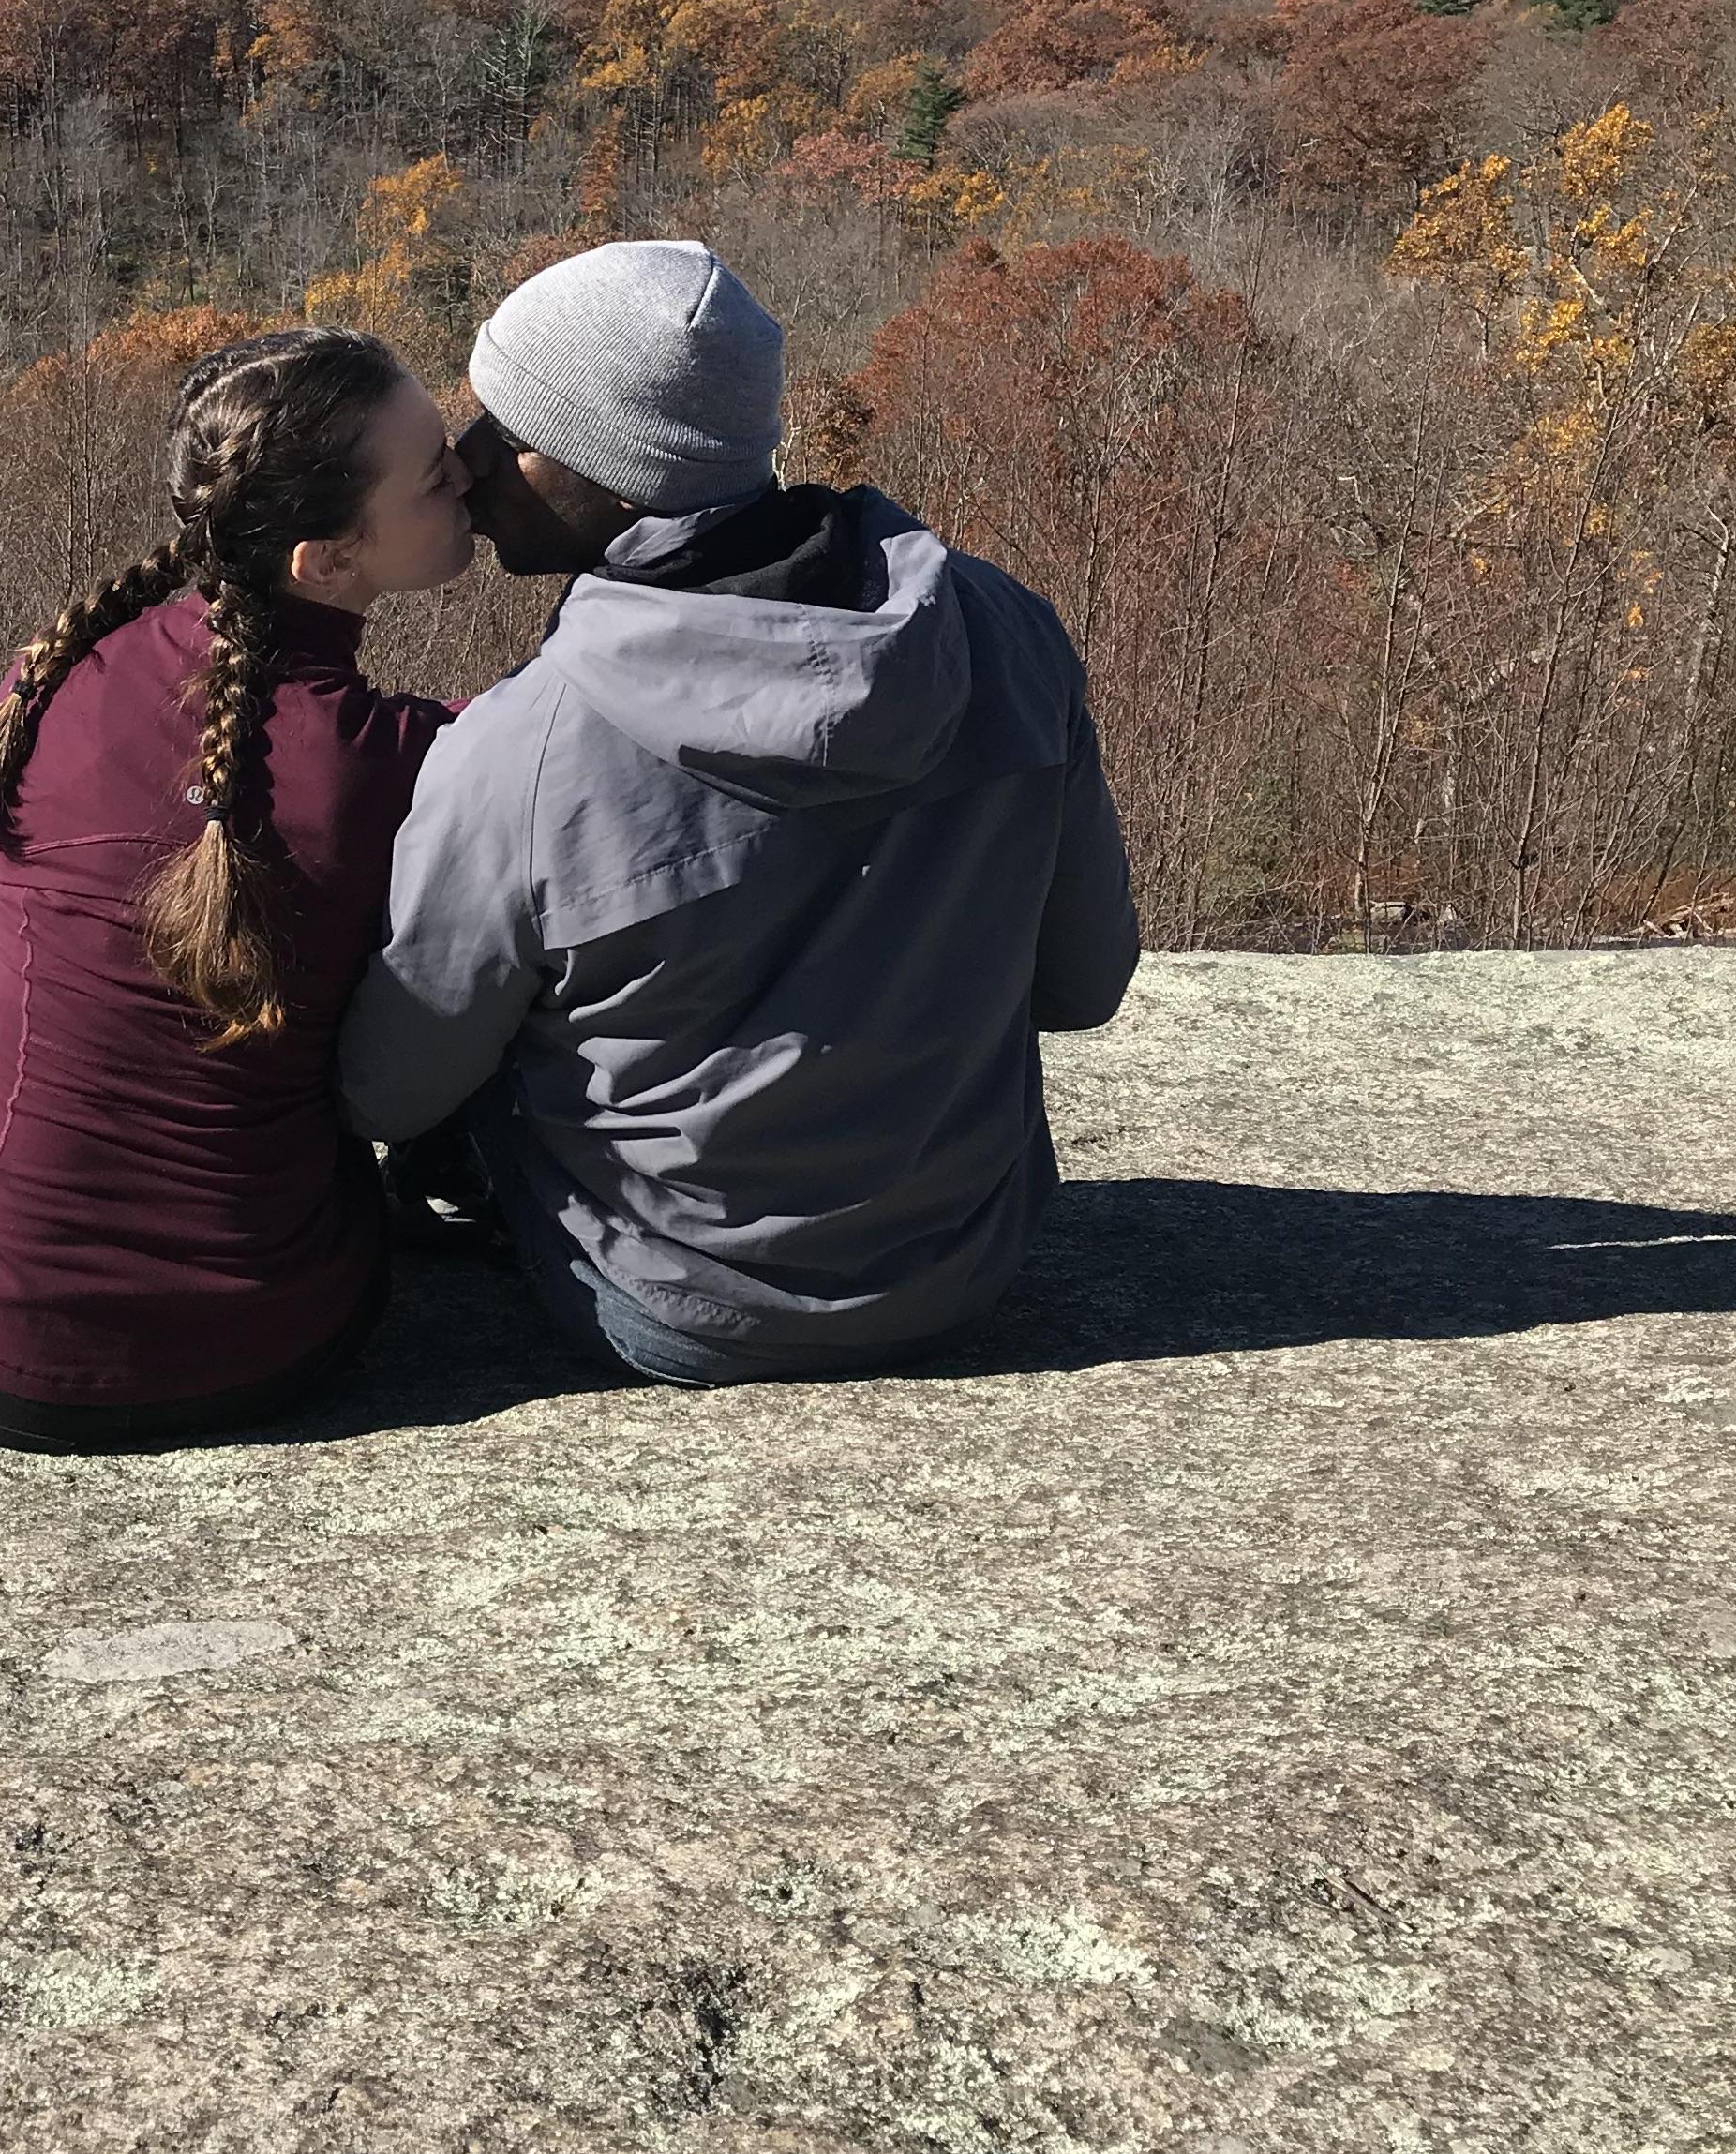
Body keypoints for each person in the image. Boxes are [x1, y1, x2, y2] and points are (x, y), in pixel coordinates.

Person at [338, 238, 1142, 1384]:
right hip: (967, 1266)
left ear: (612, 477)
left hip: (673, 1302)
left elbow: (389, 1085)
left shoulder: (522, 749)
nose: (464, 464)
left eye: (508, 436)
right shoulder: (1005, 631)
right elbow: (1084, 983)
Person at [0, 327, 472, 1449]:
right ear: (323, 559)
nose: (469, 473)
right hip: (293, 1341)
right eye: (436, 472)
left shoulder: (53, 674)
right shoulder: (423, 759)